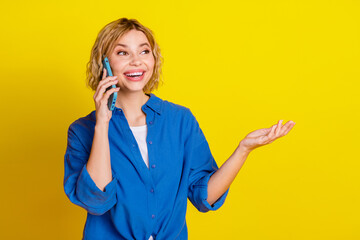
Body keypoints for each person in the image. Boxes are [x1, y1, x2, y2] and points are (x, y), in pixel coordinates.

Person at [63, 17, 296, 240]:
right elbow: (96, 201)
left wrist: (243, 149)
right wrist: (103, 122)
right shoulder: (82, 130)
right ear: (104, 63)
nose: (136, 61)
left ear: (154, 59)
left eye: (144, 51)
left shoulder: (180, 120)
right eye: (123, 52)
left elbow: (204, 196)